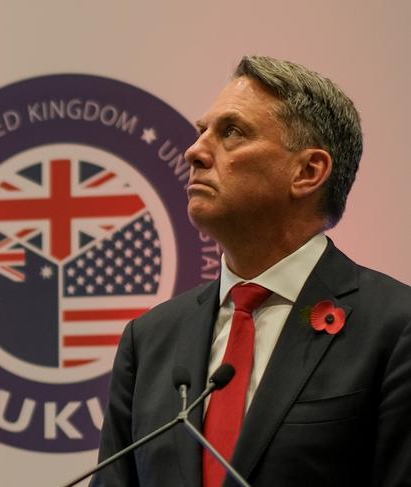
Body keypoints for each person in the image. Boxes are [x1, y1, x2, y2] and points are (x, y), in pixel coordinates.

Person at [90, 55, 411, 487]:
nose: (195, 152)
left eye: (232, 133)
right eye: (202, 132)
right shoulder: (149, 341)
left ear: (308, 172)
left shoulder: (395, 327)